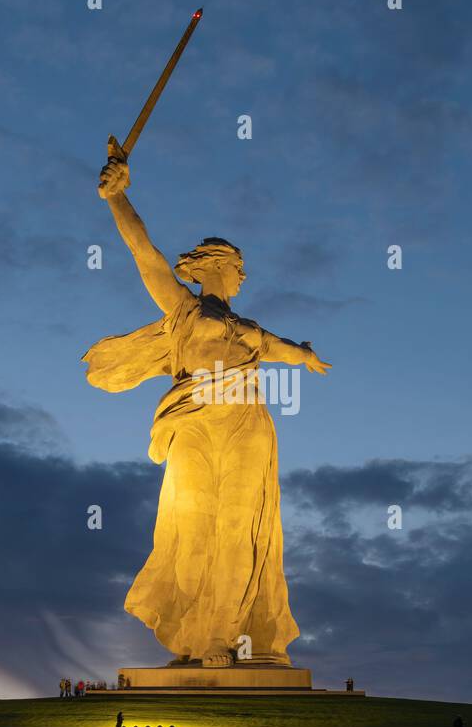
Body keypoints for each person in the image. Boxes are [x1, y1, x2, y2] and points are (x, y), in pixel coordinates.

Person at [86, 145, 331, 669]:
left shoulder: (251, 331)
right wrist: (118, 197)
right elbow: (145, 255)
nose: (244, 279)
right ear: (222, 267)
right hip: (195, 424)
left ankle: (223, 637)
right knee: (193, 529)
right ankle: (198, 637)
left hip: (247, 426)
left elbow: (285, 349)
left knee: (239, 529)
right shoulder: (184, 310)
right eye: (241, 269)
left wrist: (305, 356)